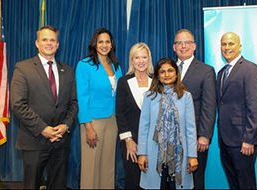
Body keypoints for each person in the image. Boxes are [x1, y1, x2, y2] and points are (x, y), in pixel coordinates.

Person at [10, 26, 78, 189]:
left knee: (58, 185)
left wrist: (65, 126)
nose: (49, 43)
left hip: (60, 141)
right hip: (34, 141)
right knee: (31, 185)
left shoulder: (67, 70)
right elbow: (18, 104)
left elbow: (73, 103)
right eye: (45, 39)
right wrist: (43, 129)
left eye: (52, 40)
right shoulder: (23, 68)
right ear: (37, 43)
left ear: (58, 44)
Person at [137, 58, 198, 189]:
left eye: (170, 71)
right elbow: (143, 128)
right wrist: (142, 153)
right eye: (163, 72)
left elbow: (191, 129)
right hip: (154, 154)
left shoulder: (186, 97)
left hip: (179, 155)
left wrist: (192, 155)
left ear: (176, 74)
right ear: (158, 76)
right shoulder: (149, 96)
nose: (167, 74)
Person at [76, 27, 122, 189]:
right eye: (100, 41)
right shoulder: (84, 65)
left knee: (108, 163)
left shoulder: (115, 65)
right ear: (94, 44)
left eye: (107, 42)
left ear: (112, 45)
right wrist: (88, 126)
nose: (104, 45)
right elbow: (81, 98)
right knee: (91, 165)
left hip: (113, 119)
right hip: (93, 120)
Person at [217, 32, 257, 189]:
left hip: (243, 140)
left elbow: (255, 107)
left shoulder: (250, 69)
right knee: (234, 183)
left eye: (231, 44)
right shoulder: (221, 73)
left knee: (246, 184)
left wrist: (249, 139)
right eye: (224, 44)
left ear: (240, 46)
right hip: (225, 140)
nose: (227, 47)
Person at [173, 29, 216, 189]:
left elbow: (209, 105)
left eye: (187, 42)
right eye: (179, 43)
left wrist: (204, 136)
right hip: (171, 137)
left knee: (195, 181)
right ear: (174, 47)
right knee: (174, 180)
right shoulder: (167, 70)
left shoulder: (206, 71)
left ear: (194, 46)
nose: (183, 46)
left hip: (195, 138)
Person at [116, 42, 154, 189]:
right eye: (137, 57)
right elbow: (120, 113)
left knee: (152, 181)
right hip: (131, 141)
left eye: (144, 57)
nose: (141, 61)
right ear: (132, 60)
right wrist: (128, 141)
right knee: (133, 180)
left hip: (153, 140)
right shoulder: (124, 82)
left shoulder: (157, 81)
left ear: (149, 59)